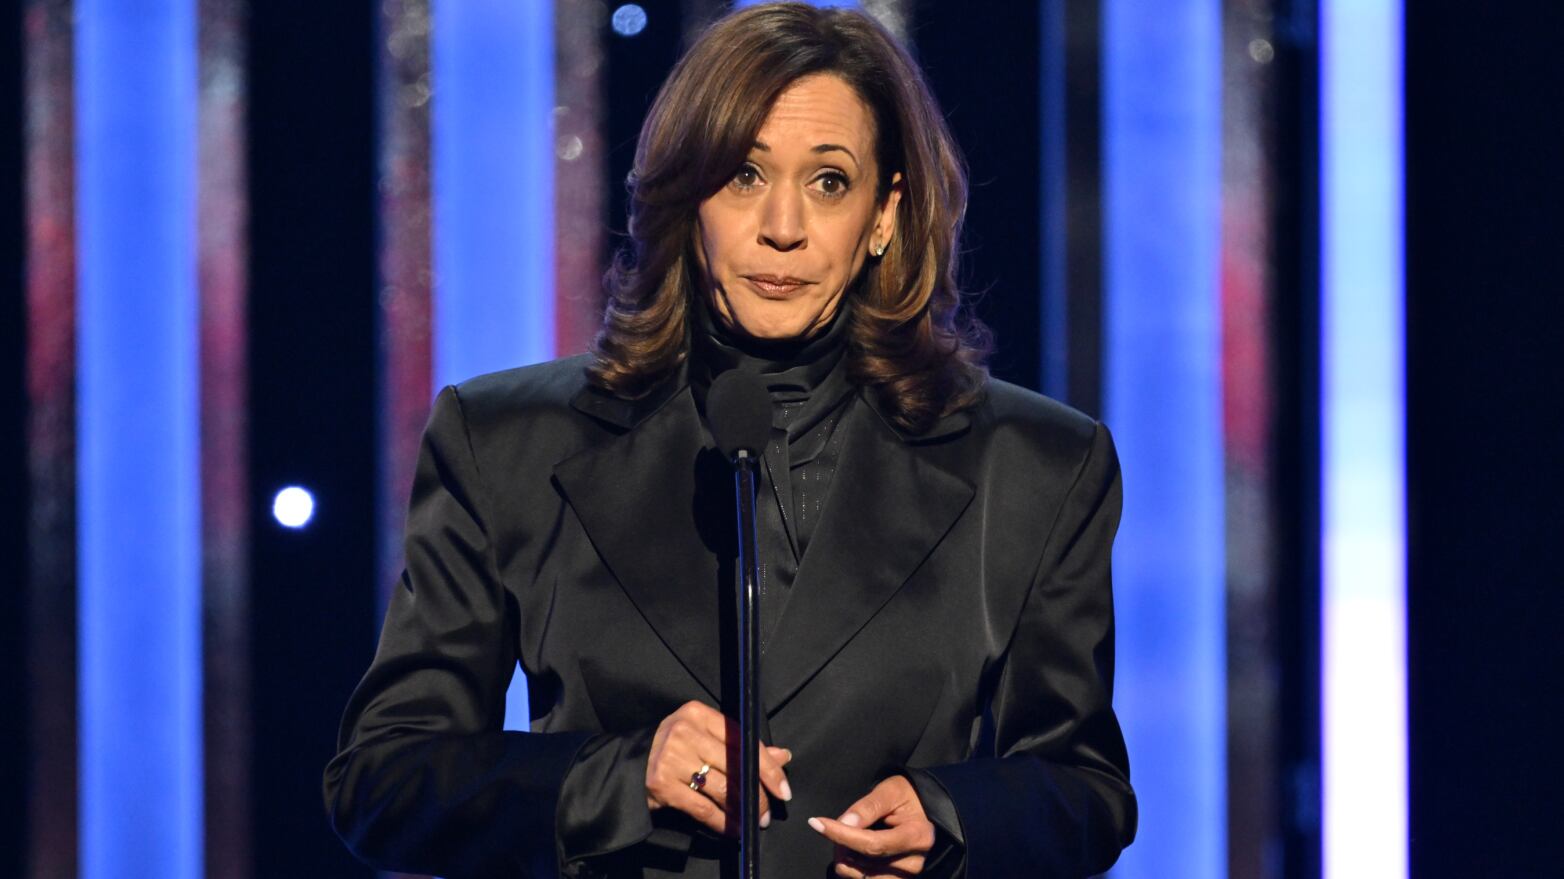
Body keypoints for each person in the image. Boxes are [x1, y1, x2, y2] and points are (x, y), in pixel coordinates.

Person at [322, 3, 1136, 877]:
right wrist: (617, 779)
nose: (782, 226)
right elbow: (383, 779)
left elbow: (1084, 788)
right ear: (686, 194)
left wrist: (952, 817)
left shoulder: (1035, 464)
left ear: (884, 214)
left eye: (828, 182)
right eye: (744, 175)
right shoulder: (506, 442)